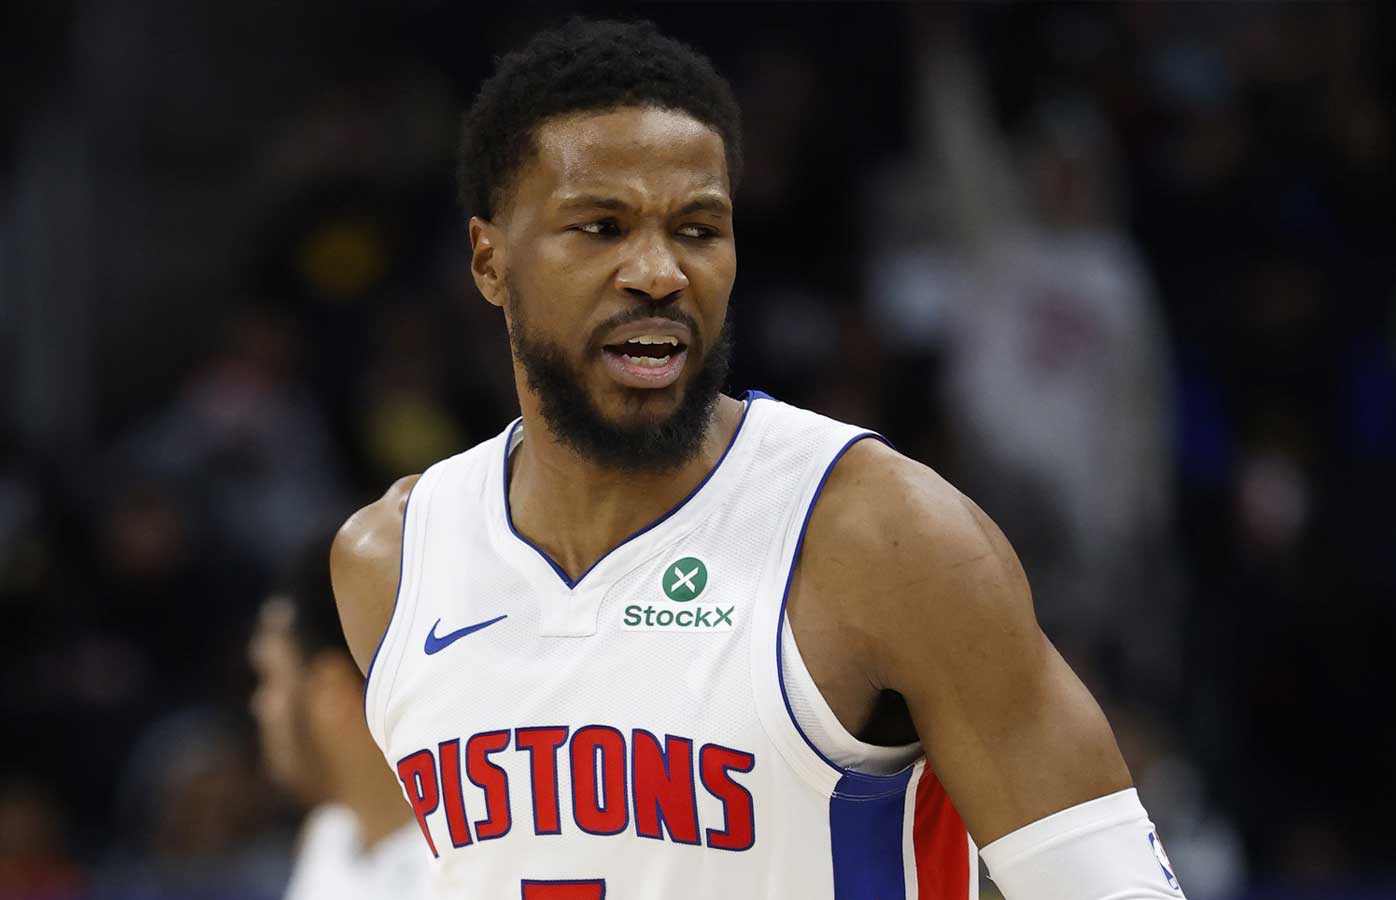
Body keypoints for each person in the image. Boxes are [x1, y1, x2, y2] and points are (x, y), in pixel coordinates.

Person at [331, 17, 1185, 900]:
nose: (659, 271)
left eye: (698, 229)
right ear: (489, 261)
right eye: (602, 227)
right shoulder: (392, 564)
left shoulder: (881, 535)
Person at [250, 537, 429, 900]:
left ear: (330, 690)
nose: (258, 706)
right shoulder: (329, 836)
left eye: (269, 678)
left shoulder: (464, 861)